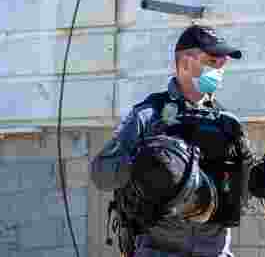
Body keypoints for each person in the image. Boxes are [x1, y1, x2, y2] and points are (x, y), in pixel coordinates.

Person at [92, 25, 249, 257]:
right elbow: (101, 171)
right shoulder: (148, 115)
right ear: (186, 62)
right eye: (213, 61)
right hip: (160, 249)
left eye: (223, 63)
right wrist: (145, 167)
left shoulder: (227, 123)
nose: (220, 69)